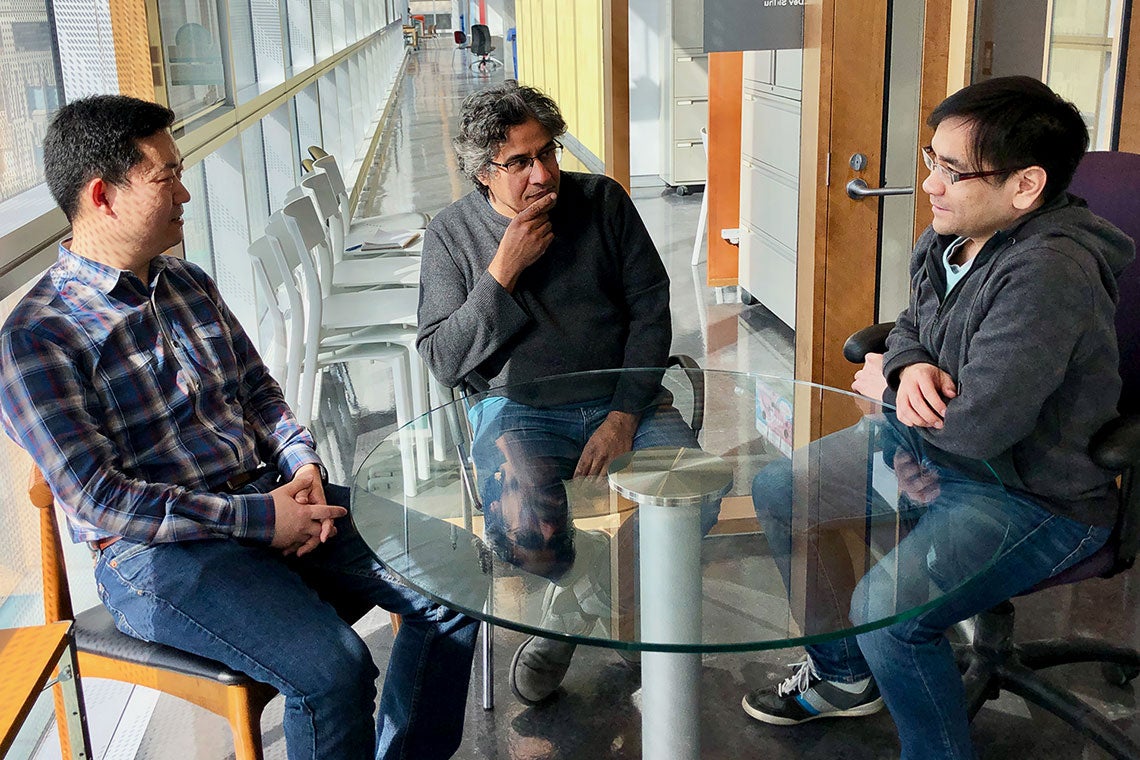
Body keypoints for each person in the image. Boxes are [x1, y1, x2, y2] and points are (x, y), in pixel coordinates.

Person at [0, 94, 479, 760]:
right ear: (103, 196)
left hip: (266, 494)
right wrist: (260, 518)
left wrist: (302, 465)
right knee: (333, 672)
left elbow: (259, 393)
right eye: (166, 177)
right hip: (159, 557)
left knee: (454, 573)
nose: (187, 193)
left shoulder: (186, 281)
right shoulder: (38, 337)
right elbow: (102, 500)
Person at [741, 75, 1134, 760]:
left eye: (953, 171)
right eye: (933, 159)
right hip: (929, 452)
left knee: (886, 617)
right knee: (782, 491)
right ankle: (841, 679)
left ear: (1026, 186)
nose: (931, 184)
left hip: (1033, 493)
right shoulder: (951, 237)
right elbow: (913, 328)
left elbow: (980, 429)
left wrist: (884, 388)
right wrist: (905, 365)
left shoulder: (1050, 274)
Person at [416, 80, 716, 705]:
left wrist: (625, 414)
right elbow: (444, 358)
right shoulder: (452, 233)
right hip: (518, 408)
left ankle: (570, 614)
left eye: (548, 152)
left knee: (693, 502)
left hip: (621, 400)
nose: (542, 173)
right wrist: (504, 269)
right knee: (526, 536)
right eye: (519, 162)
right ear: (482, 173)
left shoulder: (601, 201)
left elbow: (650, 309)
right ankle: (589, 589)